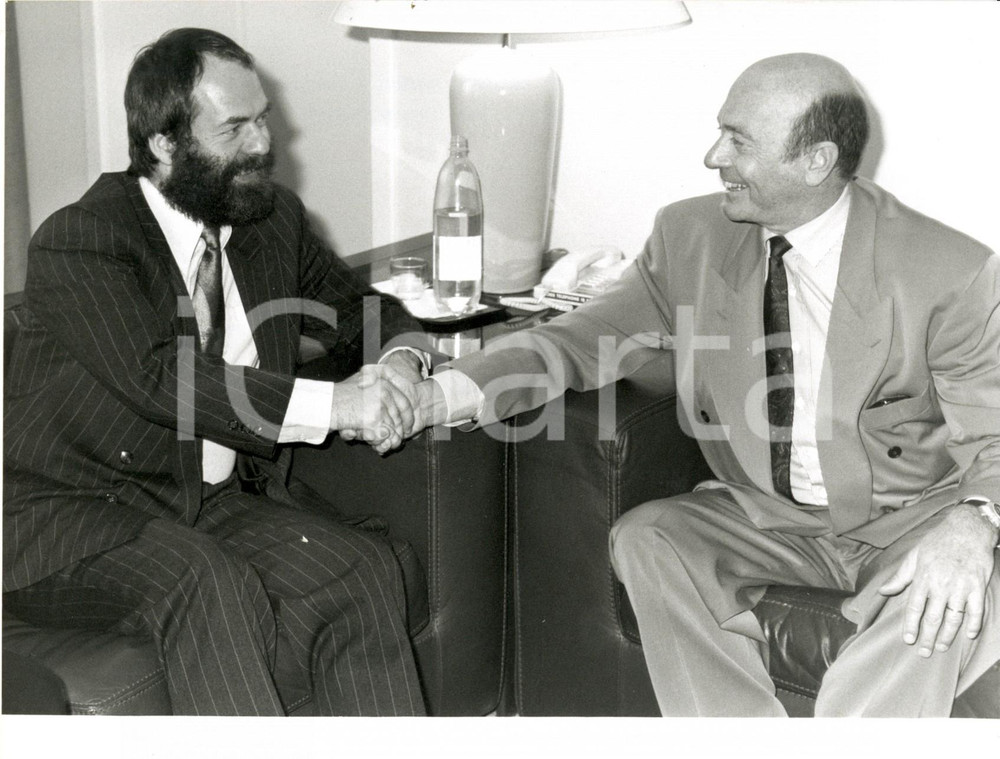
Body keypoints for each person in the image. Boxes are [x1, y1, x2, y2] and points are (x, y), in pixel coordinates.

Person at [408, 53, 1000, 716]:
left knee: (956, 593)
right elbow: (575, 342)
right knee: (648, 536)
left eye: (739, 141)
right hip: (765, 518)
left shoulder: (945, 269)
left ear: (816, 160)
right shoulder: (690, 237)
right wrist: (443, 391)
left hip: (910, 522)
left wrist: (974, 521)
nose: (712, 155)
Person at [3, 28, 430, 716]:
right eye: (235, 127)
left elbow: (363, 313)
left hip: (203, 502)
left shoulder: (270, 221)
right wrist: (339, 406)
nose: (264, 143)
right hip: (74, 514)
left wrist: (402, 364)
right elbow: (163, 377)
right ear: (163, 145)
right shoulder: (83, 240)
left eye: (263, 117)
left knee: (362, 567)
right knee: (206, 580)